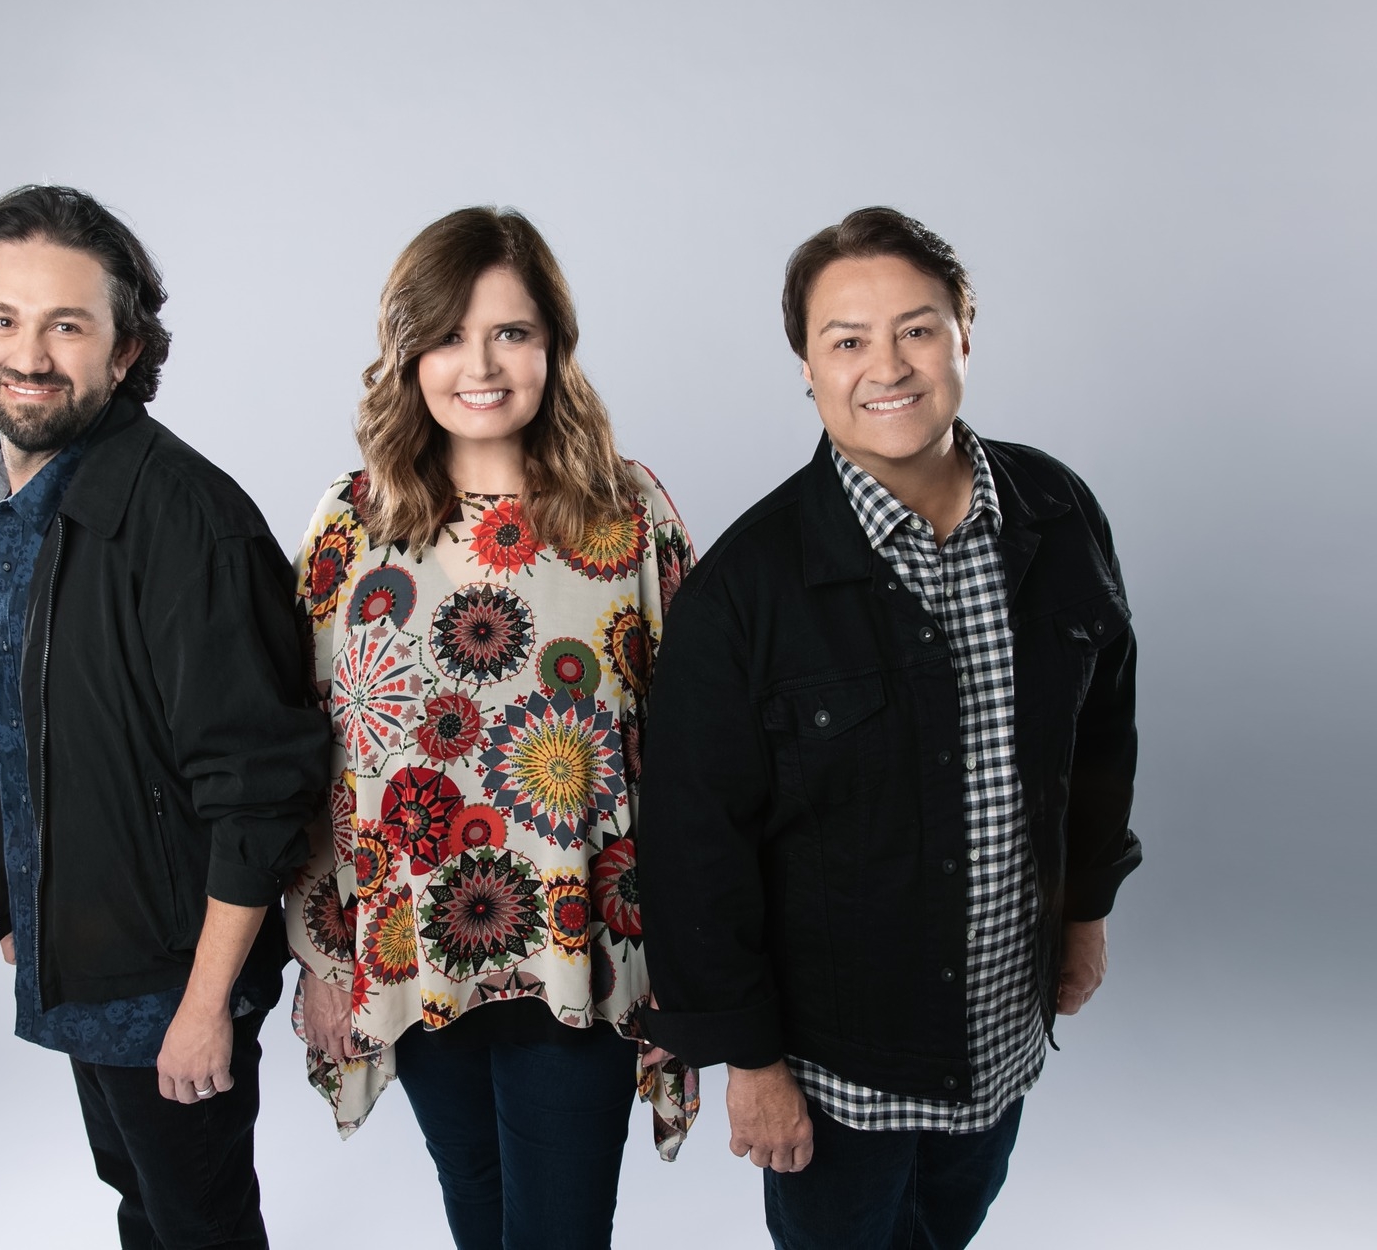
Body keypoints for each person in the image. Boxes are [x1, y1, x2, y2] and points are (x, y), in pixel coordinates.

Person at [638, 208, 1141, 1249]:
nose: (888, 366)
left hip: (1001, 1027)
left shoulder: (1057, 511)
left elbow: (1100, 737)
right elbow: (694, 850)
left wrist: (1084, 911)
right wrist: (752, 1061)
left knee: (946, 1230)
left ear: (964, 333)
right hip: (836, 1067)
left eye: (916, 328)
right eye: (847, 340)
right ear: (806, 365)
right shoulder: (745, 591)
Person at [285, 207, 699, 1250]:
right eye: (447, 335)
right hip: (412, 950)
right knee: (476, 1212)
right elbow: (312, 759)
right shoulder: (350, 525)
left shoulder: (628, 516)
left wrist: (698, 964)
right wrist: (325, 956)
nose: (480, 365)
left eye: (511, 332)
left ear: (554, 344)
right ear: (406, 352)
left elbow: (699, 751)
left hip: (581, 951)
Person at [0, 184, 328, 1249]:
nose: (29, 354)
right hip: (81, 950)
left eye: (67, 325)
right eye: (2, 319)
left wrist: (206, 1004)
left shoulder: (185, 517)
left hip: (174, 974)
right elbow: (24, 730)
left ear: (123, 352)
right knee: (138, 1202)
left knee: (200, 1224)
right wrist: (21, 907)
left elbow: (259, 784)